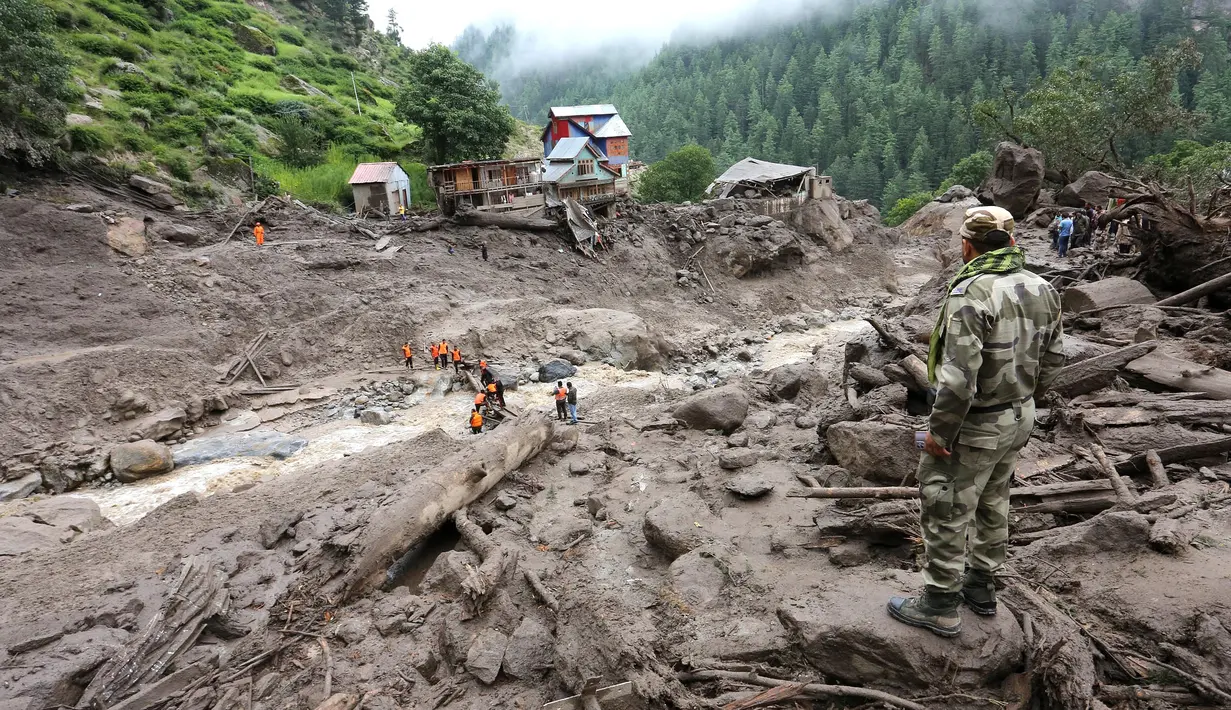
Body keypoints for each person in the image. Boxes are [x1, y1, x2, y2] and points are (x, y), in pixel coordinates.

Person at [887, 206, 1064, 638]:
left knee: (945, 506)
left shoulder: (970, 293)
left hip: (977, 422)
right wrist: (1025, 401)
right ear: (1013, 241)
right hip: (1019, 414)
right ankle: (981, 588)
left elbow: (959, 380)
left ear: (967, 246)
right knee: (993, 499)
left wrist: (940, 432)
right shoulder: (1042, 286)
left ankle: (940, 604)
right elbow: (1055, 360)